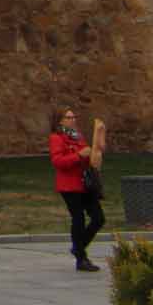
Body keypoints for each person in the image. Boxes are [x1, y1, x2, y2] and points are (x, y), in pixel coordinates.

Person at [49, 106, 107, 271]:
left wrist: (95, 152)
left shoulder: (78, 136)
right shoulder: (57, 138)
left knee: (98, 218)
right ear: (60, 121)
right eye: (68, 117)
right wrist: (79, 155)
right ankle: (81, 258)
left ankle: (78, 247)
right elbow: (58, 162)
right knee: (78, 219)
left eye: (74, 117)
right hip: (69, 185)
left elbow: (89, 154)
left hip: (85, 183)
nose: (73, 120)